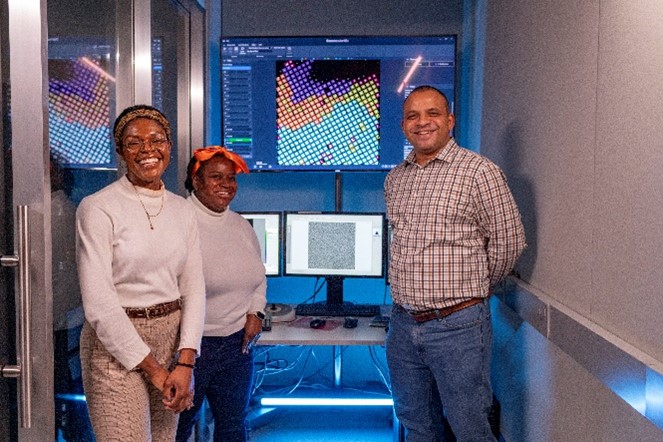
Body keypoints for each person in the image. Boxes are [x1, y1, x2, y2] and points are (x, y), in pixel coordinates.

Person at [384, 86, 526, 442]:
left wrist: (474, 289)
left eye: (432, 113)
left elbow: (509, 244)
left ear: (449, 121)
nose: (422, 122)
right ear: (403, 126)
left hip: (458, 325)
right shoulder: (395, 179)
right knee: (415, 422)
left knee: (470, 426)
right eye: (413, 116)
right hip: (403, 324)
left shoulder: (479, 173)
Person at [76, 104, 206, 441]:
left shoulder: (183, 210)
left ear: (168, 147)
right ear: (120, 151)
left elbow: (193, 288)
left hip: (171, 337)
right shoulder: (98, 207)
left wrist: (185, 362)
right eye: (134, 142)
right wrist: (155, 371)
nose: (147, 150)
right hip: (115, 342)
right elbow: (99, 303)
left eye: (157, 140)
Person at [176, 146, 266, 442]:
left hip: (236, 348)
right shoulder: (178, 221)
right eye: (216, 177)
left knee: (232, 428)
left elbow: (258, 276)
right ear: (196, 180)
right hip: (189, 350)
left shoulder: (240, 226)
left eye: (231, 178)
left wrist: (257, 311)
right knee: (177, 428)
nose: (226, 185)